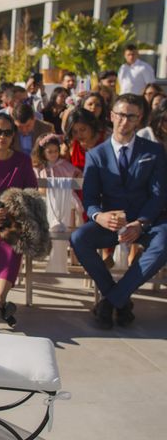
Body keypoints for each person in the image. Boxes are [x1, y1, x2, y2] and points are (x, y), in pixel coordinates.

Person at [71, 94, 167, 329]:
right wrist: (99, 216)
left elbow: (158, 195)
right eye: (121, 115)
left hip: (146, 222)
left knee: (164, 241)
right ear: (112, 116)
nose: (124, 121)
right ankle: (120, 301)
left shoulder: (154, 151)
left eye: (131, 116)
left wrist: (141, 223)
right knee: (79, 238)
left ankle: (110, 302)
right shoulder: (96, 154)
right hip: (111, 223)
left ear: (139, 119)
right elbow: (91, 199)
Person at [0, 114, 38, 327]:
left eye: (7, 132)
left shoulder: (22, 161)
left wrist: (8, 210)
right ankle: (1, 303)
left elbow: (32, 193)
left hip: (13, 220)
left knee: (12, 243)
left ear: (13, 136)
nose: (2, 137)